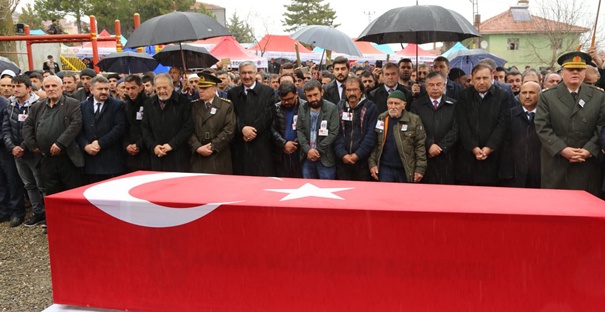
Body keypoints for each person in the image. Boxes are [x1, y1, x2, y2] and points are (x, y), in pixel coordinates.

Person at [535, 51, 605, 196]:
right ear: (562, 73)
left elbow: (601, 127)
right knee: (556, 207)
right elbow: (542, 127)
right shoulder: (547, 96)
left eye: (579, 69)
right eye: (570, 69)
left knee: (586, 208)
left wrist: (589, 150)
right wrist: (562, 149)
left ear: (584, 73)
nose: (575, 72)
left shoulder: (599, 96)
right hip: (557, 162)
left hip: (587, 163)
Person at [22, 75, 84, 227]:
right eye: (47, 87)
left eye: (54, 86)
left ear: (61, 87)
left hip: (67, 158)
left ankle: (75, 223)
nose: (50, 89)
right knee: (51, 192)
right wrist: (32, 145)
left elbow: (75, 125)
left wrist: (60, 143)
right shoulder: (38, 107)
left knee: (71, 192)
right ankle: (56, 224)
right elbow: (28, 126)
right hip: (45, 158)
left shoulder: (72, 104)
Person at [456, 63, 510, 186]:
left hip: (494, 155)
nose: (481, 82)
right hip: (468, 155)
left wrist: (489, 148)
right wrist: (474, 148)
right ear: (472, 79)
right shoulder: (464, 96)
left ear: (492, 77)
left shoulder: (502, 96)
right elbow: (462, 124)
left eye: (485, 78)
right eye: (478, 78)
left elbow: (502, 125)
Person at [228, 61, 275, 176]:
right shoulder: (233, 93)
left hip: (261, 144)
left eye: (250, 72)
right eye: (243, 73)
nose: (247, 76)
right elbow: (232, 115)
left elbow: (268, 115)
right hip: (240, 144)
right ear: (239, 74)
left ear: (255, 73)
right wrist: (242, 128)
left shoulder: (267, 91)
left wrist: (253, 131)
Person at [410, 72, 458, 184]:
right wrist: (429, 144)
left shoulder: (453, 105)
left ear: (444, 85)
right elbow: (415, 129)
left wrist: (441, 146)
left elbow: (456, 129)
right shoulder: (417, 105)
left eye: (438, 84)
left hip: (447, 157)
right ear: (425, 87)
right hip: (424, 156)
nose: (435, 88)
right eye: (431, 85)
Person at [368, 90, 427, 183]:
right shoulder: (381, 118)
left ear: (404, 105)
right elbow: (375, 144)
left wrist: (420, 169)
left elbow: (420, 145)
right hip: (385, 168)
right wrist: (372, 164)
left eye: (396, 103)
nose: (393, 107)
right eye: (390, 103)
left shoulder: (414, 120)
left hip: (405, 168)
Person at [77, 76, 126, 184]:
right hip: (90, 161)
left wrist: (100, 143)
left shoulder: (117, 105)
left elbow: (119, 128)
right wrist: (85, 146)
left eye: (106, 89)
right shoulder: (82, 106)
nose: (104, 92)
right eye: (100, 89)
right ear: (91, 90)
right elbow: (78, 129)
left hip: (112, 161)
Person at [141, 73, 193, 172]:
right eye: (158, 88)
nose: (162, 91)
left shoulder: (184, 103)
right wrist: (154, 146)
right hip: (156, 156)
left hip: (179, 157)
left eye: (165, 87)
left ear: (172, 86)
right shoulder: (149, 104)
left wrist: (171, 145)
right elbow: (145, 128)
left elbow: (187, 128)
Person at [189, 73, 235, 174]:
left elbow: (229, 129)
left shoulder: (226, 105)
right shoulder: (193, 106)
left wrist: (213, 146)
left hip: (219, 155)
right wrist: (197, 146)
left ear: (214, 89)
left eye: (205, 88)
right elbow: (187, 130)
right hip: (198, 156)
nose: (200, 90)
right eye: (200, 87)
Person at [333, 76, 377, 181]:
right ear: (345, 92)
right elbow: (335, 132)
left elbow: (371, 135)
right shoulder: (339, 107)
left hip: (363, 161)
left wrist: (357, 155)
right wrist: (342, 154)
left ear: (361, 91)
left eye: (355, 90)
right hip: (342, 160)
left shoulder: (370, 107)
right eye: (348, 90)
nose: (352, 93)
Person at [296, 79, 339, 179]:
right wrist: (308, 150)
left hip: (325, 158)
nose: (313, 99)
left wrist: (317, 151)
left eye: (316, 94)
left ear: (322, 92)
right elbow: (300, 130)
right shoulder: (302, 107)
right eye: (309, 96)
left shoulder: (331, 108)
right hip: (307, 158)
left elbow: (333, 133)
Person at [0, 76, 28, 227]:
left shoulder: (5, 104)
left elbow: (6, 128)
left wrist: (10, 145)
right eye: (2, 85)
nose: (6, 88)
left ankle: (17, 211)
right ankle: (3, 211)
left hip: (6, 149)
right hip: (6, 147)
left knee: (13, 181)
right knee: (1, 183)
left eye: (8, 85)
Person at [504, 81, 542, 188]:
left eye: (532, 93)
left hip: (539, 172)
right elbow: (505, 144)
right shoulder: (509, 115)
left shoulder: (545, 116)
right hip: (515, 172)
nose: (527, 96)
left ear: (540, 94)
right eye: (524, 93)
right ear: (519, 95)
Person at [271, 81, 304, 178]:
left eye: (289, 99)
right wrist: (284, 143)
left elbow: (307, 129)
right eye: (283, 100)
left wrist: (295, 144)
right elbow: (272, 129)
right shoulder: (275, 108)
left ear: (296, 94)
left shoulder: (305, 107)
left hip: (300, 151)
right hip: (281, 152)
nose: (286, 102)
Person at [122, 75, 150, 172]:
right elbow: (123, 128)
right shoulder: (125, 105)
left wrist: (139, 144)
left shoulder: (150, 104)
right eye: (127, 88)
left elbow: (151, 128)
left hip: (147, 153)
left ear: (141, 87)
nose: (130, 92)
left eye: (133, 88)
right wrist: (126, 145)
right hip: (129, 154)